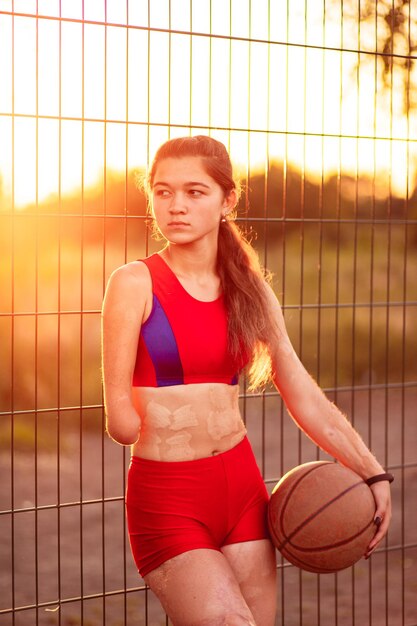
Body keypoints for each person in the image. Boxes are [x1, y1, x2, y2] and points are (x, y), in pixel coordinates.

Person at [101, 135, 393, 626]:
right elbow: (121, 424)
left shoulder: (249, 289)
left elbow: (300, 390)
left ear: (227, 200)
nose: (176, 206)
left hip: (242, 492)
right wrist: (131, 406)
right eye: (163, 191)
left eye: (195, 192)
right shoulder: (133, 283)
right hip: (169, 500)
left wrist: (371, 472)